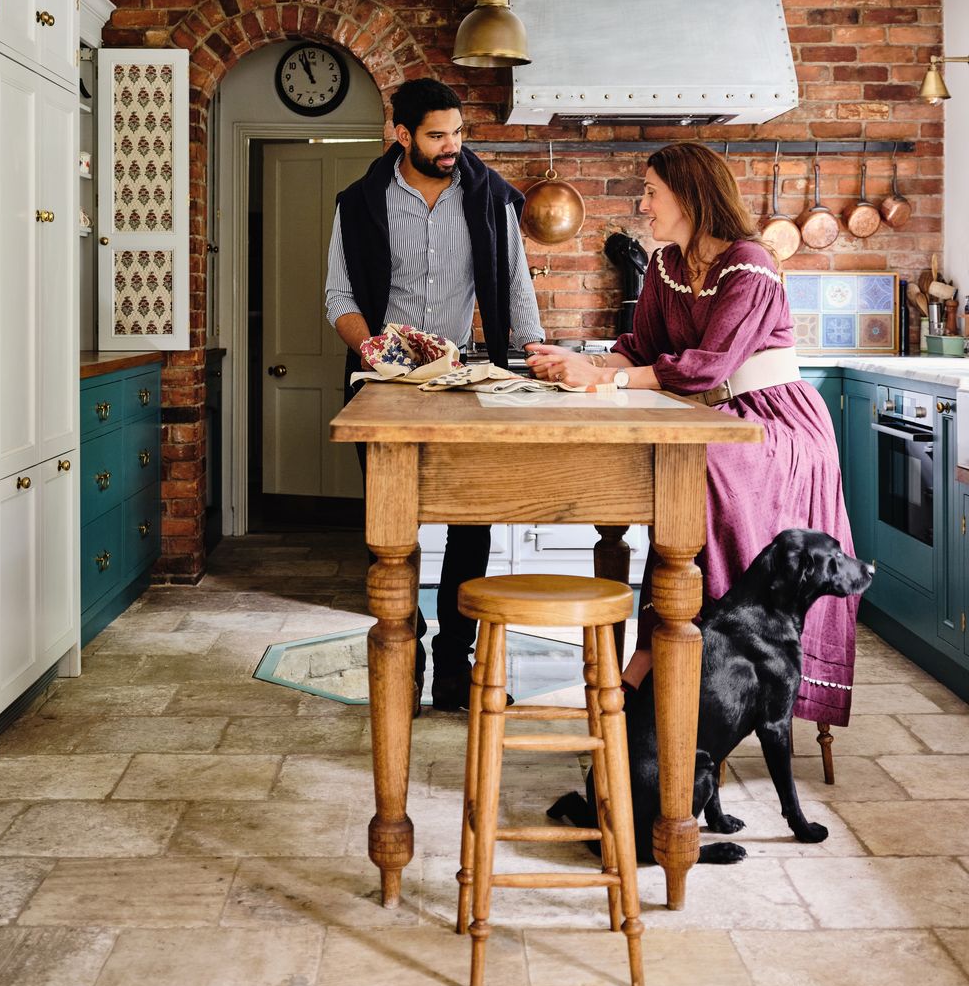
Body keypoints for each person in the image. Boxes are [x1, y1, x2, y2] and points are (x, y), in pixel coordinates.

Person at [525, 141, 859, 729]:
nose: (644, 203)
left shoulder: (750, 263)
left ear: (689, 195)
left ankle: (688, 646)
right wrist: (581, 364)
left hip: (775, 423)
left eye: (653, 192)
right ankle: (666, 649)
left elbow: (710, 365)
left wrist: (610, 380)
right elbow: (641, 347)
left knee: (695, 465)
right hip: (715, 414)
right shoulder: (665, 265)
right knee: (674, 462)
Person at [326, 77, 544, 711]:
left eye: (458, 133)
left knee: (472, 520)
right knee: (391, 529)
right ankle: (408, 645)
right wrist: (373, 346)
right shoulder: (360, 202)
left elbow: (516, 286)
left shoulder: (489, 197)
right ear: (402, 135)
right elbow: (339, 297)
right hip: (382, 383)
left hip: (460, 375)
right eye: (437, 135)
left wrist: (534, 357)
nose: (453, 146)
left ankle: (454, 655)